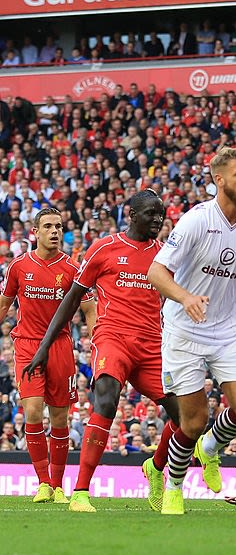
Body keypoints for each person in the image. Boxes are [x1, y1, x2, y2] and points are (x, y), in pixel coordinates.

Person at [25, 191, 180, 513]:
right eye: (151, 213)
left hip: (152, 346)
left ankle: (156, 466)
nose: (158, 219)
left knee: (186, 417)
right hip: (113, 339)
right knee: (106, 399)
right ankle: (80, 492)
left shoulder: (165, 255)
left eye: (161, 214)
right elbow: (72, 298)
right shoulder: (104, 248)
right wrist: (44, 345)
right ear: (132, 215)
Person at [148, 146, 236, 515]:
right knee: (193, 421)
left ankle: (209, 448)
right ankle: (174, 487)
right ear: (219, 180)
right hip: (184, 331)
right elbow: (156, 272)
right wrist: (185, 297)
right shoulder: (196, 220)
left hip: (227, 332)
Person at [0, 207, 97, 504]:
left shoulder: (72, 268)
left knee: (59, 417)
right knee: (31, 411)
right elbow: (4, 304)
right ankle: (43, 482)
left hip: (60, 346)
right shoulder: (18, 266)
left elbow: (90, 309)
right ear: (35, 232)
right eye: (48, 227)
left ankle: (57, 485)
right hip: (28, 344)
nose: (55, 231)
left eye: (58, 226)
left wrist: (98, 344)